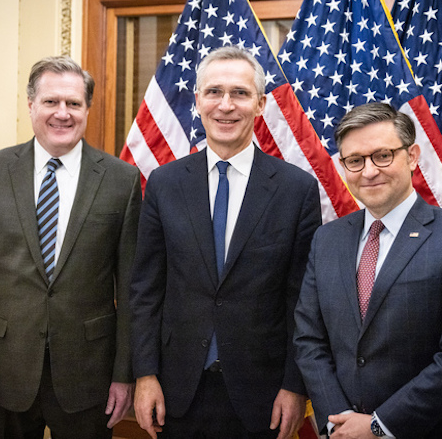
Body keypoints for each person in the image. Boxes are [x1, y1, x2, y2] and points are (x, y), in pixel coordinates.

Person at [130, 46, 322, 439]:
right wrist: (145, 374)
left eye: (240, 93)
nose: (226, 105)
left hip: (263, 396)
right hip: (176, 390)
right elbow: (146, 291)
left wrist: (294, 385)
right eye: (214, 92)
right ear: (198, 101)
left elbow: (301, 299)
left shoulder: (296, 189)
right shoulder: (164, 185)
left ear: (261, 104)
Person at [0, 56, 141, 438]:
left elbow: (132, 289)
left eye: (74, 103)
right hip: (3, 374)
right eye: (51, 102)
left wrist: (124, 375)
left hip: (89, 380)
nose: (62, 113)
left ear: (87, 109)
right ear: (31, 105)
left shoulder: (122, 180)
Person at [294, 103, 442, 439]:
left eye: (382, 155)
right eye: (355, 161)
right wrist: (339, 421)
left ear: (412, 156)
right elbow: (309, 340)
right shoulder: (326, 239)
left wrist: (379, 426)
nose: (369, 171)